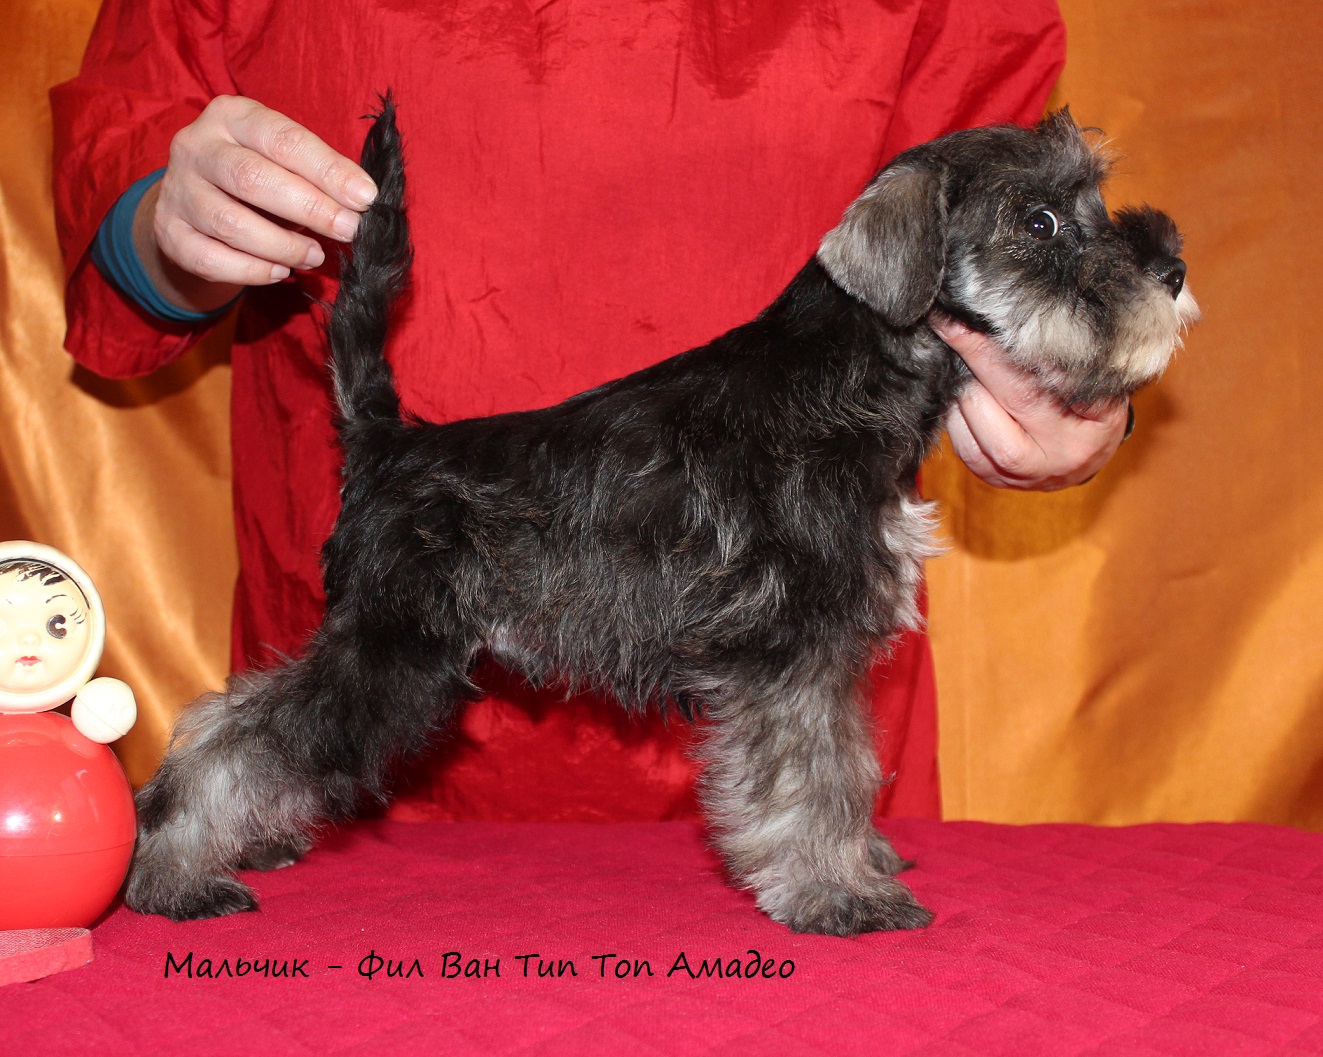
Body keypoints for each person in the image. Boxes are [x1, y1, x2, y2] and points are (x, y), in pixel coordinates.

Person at [51, 0, 1125, 822]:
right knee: (344, 708)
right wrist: (159, 232)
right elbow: (124, 143)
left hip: (812, 675)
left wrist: (1077, 391)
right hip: (411, 624)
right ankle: (210, 800)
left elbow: (1009, 203)